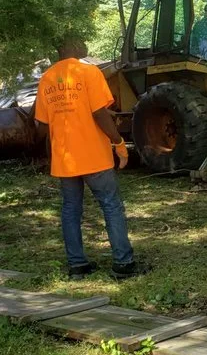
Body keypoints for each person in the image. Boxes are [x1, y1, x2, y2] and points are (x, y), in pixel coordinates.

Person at [34, 35, 141, 280]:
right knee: (111, 206)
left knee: (71, 210)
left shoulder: (47, 78)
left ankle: (78, 265)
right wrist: (119, 142)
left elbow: (41, 126)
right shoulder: (89, 72)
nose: (85, 45)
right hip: (94, 157)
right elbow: (99, 114)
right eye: (81, 41)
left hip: (64, 158)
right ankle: (123, 264)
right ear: (70, 47)